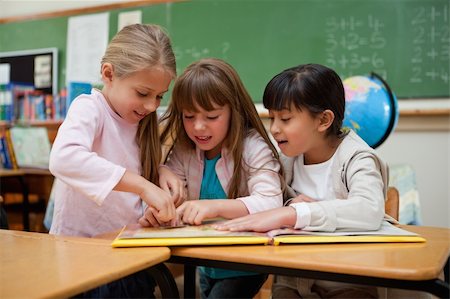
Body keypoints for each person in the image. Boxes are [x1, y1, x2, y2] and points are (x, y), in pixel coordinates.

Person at [216, 63, 389, 298]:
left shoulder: (357, 159)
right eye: (272, 118)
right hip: (292, 279)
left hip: (348, 279)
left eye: (285, 119)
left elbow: (369, 209)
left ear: (323, 120)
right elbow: (272, 204)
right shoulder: (286, 158)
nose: (274, 129)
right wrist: (288, 206)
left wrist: (295, 213)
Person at [49, 24, 183, 298]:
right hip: (82, 258)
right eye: (143, 93)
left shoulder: (141, 120)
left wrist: (158, 172)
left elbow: (123, 165)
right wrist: (143, 185)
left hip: (127, 254)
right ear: (108, 74)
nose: (152, 105)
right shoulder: (89, 107)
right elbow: (64, 158)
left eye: (159, 96)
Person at [141, 58, 283, 299]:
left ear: (233, 111)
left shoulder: (253, 147)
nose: (198, 127)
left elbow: (271, 203)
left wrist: (213, 206)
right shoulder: (185, 149)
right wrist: (159, 208)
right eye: (189, 116)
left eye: (212, 116)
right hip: (206, 263)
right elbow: (171, 194)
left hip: (245, 266)